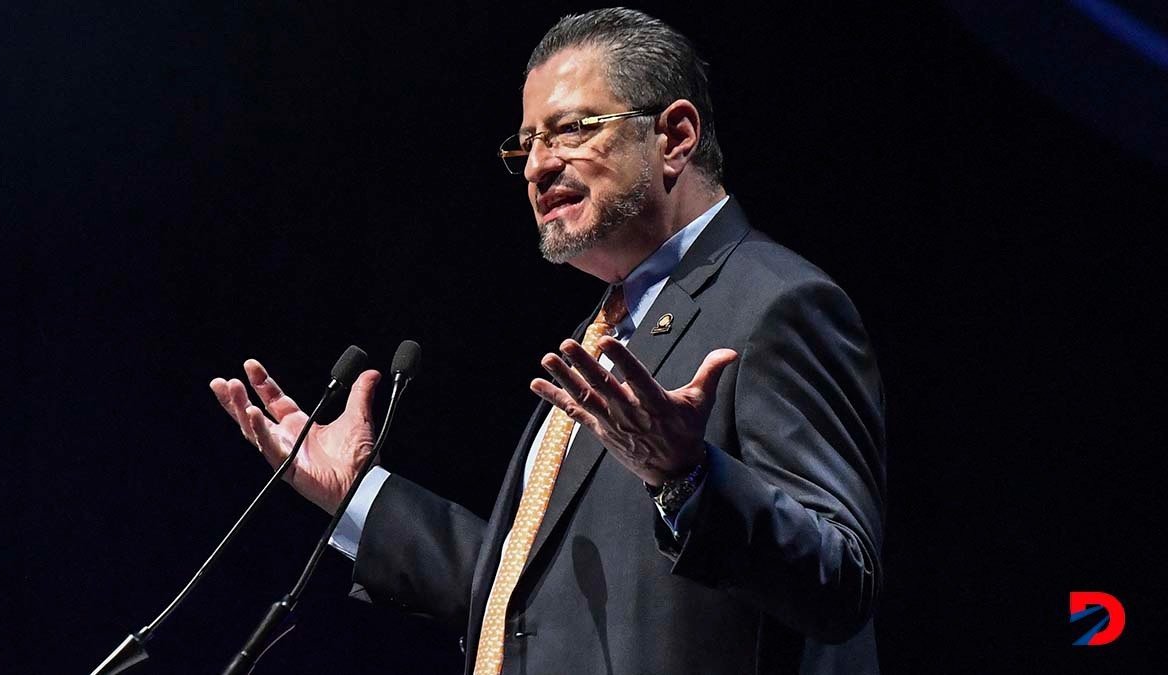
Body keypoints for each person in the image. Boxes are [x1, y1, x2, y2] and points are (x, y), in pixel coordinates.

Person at [210, 8, 886, 674]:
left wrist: (689, 480)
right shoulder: (601, 330)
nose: (536, 166)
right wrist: (358, 493)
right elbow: (525, 603)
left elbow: (842, 580)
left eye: (570, 131)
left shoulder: (777, 303)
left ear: (675, 136)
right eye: (527, 143)